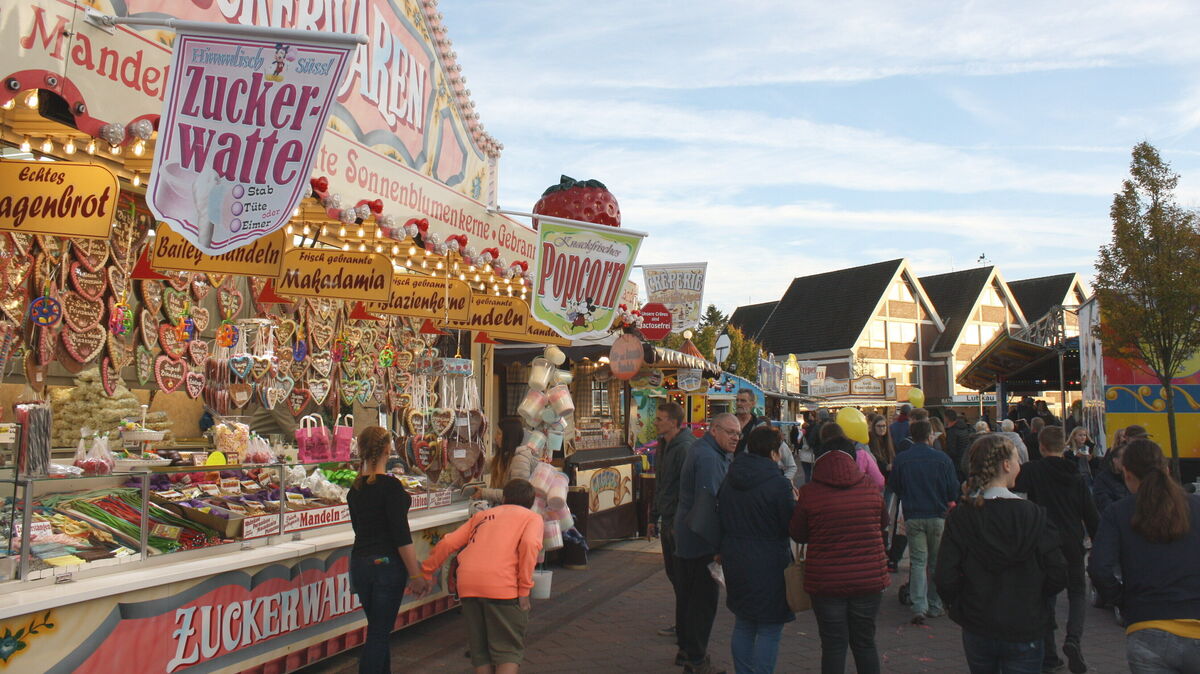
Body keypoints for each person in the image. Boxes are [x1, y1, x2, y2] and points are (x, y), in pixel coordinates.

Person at [936, 434, 1068, 674]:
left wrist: (960, 604)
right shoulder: (1034, 515)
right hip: (1025, 622)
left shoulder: (963, 516)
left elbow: (945, 575)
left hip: (979, 622)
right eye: (1017, 459)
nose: (1020, 466)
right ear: (1006, 464)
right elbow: (1057, 572)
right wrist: (1035, 597)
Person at [1089, 439, 1200, 674]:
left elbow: (1100, 567)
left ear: (1127, 473)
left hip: (1146, 626)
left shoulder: (1118, 513)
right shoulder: (1195, 507)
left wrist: (1122, 599)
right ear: (1167, 468)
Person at [420, 479, 543, 674]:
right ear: (531, 502)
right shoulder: (532, 518)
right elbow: (529, 545)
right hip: (504, 587)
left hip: (469, 585)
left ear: (504, 497)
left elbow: (448, 543)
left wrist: (426, 571)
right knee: (508, 651)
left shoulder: (483, 516)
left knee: (480, 651)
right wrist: (524, 589)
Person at [791, 435, 890, 674]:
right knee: (865, 642)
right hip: (868, 579)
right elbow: (883, 522)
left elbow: (798, 534)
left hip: (826, 581)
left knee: (833, 645)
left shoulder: (810, 492)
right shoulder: (869, 487)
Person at [1015, 426, 1099, 674]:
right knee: (1077, 594)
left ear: (1041, 446)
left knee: (1045, 596)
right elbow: (1090, 515)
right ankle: (1073, 638)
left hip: (1042, 543)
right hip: (1072, 541)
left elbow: (1015, 493)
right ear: (1064, 446)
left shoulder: (1032, 471)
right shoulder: (1076, 476)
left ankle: (1049, 655)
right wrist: (1097, 542)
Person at [347, 426, 431, 673]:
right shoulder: (392, 488)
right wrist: (415, 574)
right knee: (379, 633)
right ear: (387, 450)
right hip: (386, 565)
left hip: (360, 563)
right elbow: (400, 536)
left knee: (377, 628)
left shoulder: (355, 489)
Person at [718, 426, 796, 674]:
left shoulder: (730, 478)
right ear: (774, 452)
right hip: (769, 560)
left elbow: (719, 514)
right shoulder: (778, 484)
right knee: (769, 627)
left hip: (735, 556)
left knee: (744, 622)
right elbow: (789, 526)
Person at [675, 413, 740, 674]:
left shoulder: (705, 450)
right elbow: (710, 505)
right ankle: (697, 659)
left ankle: (687, 650)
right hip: (699, 539)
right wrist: (717, 547)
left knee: (689, 599)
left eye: (738, 433)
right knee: (702, 602)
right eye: (730, 432)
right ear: (714, 430)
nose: (736, 437)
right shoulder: (710, 458)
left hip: (688, 534)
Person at [887, 419, 959, 625]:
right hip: (937, 514)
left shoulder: (902, 459)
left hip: (913, 513)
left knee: (918, 561)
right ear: (929, 436)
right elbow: (953, 489)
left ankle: (918, 605)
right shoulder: (942, 459)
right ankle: (935, 604)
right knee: (935, 562)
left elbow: (894, 485)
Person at [648, 402, 696, 640]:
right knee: (674, 574)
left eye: (659, 419)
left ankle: (686, 627)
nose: (655, 422)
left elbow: (687, 489)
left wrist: (680, 521)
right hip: (667, 518)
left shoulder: (685, 447)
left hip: (679, 522)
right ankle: (684, 624)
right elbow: (661, 483)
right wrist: (652, 516)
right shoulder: (663, 445)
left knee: (682, 576)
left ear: (674, 422)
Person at [472, 428, 539, 505]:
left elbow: (517, 494)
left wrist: (484, 493)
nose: (495, 437)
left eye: (499, 433)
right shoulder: (503, 456)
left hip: (514, 513)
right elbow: (481, 468)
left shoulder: (520, 460)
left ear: (509, 437)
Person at [1092, 442, 1130, 515]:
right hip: (1116, 519)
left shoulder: (1132, 476)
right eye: (1124, 458)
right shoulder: (1102, 479)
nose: (1128, 462)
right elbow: (1104, 504)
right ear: (1115, 460)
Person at [943, 409, 973, 480]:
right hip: (965, 461)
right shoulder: (964, 428)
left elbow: (951, 450)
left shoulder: (952, 431)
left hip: (956, 464)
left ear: (946, 418)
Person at [866, 413, 896, 481]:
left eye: (884, 426)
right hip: (876, 478)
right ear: (874, 427)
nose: (882, 428)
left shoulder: (889, 441)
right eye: (879, 426)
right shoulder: (869, 441)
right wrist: (886, 467)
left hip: (889, 478)